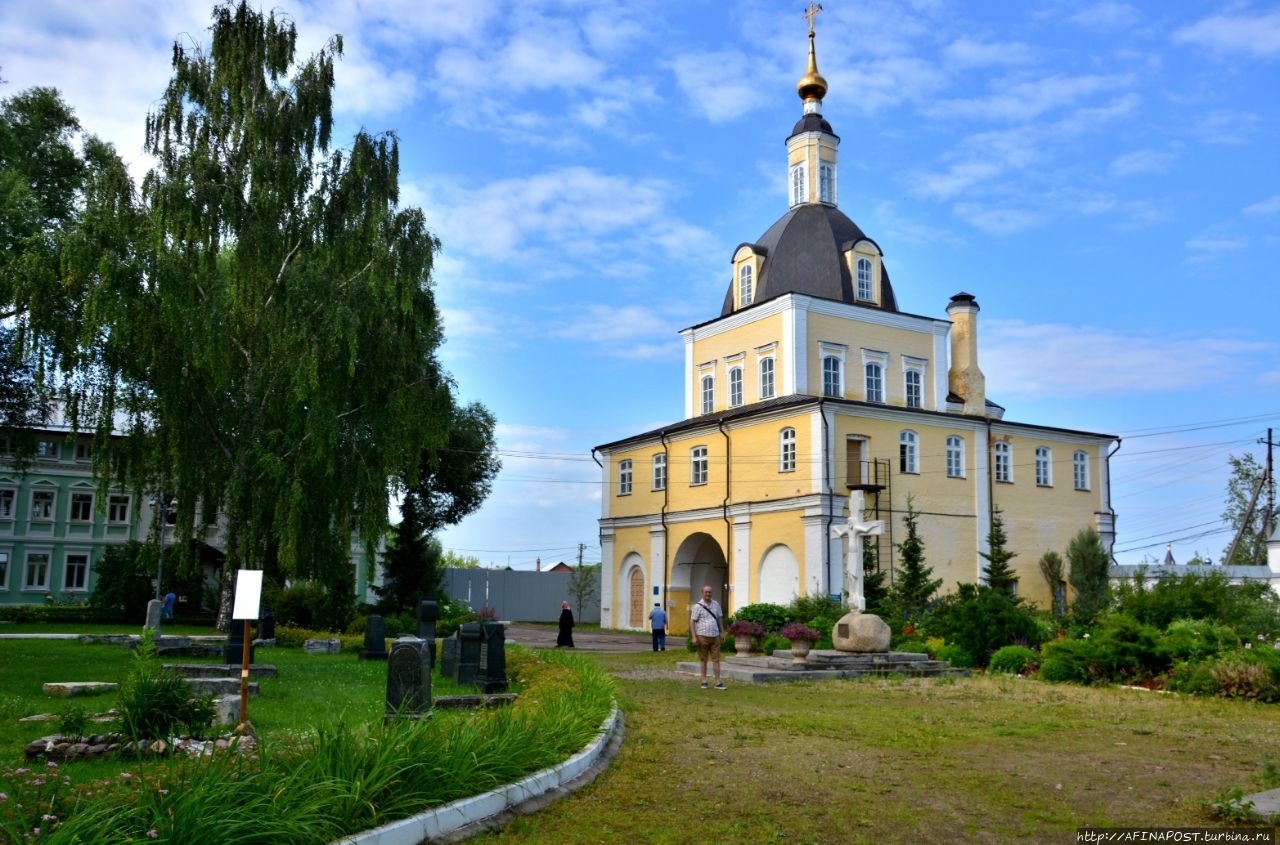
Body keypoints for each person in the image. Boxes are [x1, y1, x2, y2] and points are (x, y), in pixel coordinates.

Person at [689, 585, 725, 689]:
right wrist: (694, 637)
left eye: (709, 592)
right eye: (706, 592)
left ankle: (718, 682)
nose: (708, 594)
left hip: (715, 636)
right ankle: (704, 681)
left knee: (716, 659)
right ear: (702, 593)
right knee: (703, 659)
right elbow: (692, 622)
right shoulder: (697, 606)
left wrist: (722, 632)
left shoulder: (716, 604)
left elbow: (719, 619)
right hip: (702, 636)